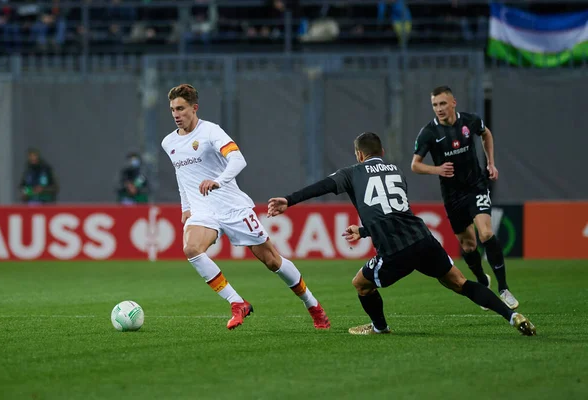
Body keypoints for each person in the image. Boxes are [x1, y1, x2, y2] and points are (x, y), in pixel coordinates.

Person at [268, 132, 536, 336]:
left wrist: (289, 201)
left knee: (360, 284)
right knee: (461, 283)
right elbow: (392, 212)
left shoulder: (353, 172)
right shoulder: (396, 171)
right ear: (382, 152)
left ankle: (379, 327)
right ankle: (512, 317)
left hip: (395, 250)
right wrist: (363, 231)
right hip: (423, 239)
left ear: (359, 155)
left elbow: (323, 186)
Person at [161, 84, 330, 330]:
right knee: (191, 248)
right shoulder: (169, 142)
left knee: (272, 261)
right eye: (172, 109)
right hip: (203, 210)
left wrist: (218, 181)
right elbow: (182, 175)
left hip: (232, 207)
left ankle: (313, 305)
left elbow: (238, 159)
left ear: (194, 108)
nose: (176, 114)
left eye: (181, 108)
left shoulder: (211, 132)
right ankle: (237, 303)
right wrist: (185, 207)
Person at [411, 85, 519, 310]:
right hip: (452, 196)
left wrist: (490, 162)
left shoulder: (470, 121)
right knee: (468, 246)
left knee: (486, 233)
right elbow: (415, 165)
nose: (438, 109)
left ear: (453, 103)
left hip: (475, 187)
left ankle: (504, 288)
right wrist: (437, 169)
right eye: (434, 105)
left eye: (442, 103)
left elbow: (486, 133)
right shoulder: (428, 133)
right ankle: (482, 281)